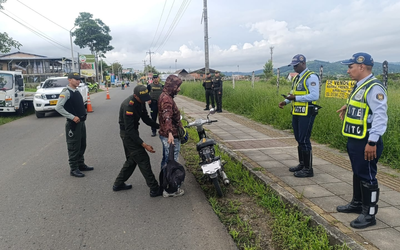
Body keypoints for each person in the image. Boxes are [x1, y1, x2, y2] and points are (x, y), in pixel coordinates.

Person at [336, 52, 388, 229]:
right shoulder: (360, 85)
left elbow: (380, 116)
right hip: (356, 138)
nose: (348, 71)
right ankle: (357, 203)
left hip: (367, 140)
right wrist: (347, 106)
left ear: (361, 66)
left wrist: (372, 142)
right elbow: (364, 106)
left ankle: (369, 214)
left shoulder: (374, 87)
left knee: (368, 175)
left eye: (350, 67)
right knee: (358, 172)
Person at [112, 85, 162, 197]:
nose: (145, 100)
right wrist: (144, 144)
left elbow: (145, 118)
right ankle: (154, 188)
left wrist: (159, 126)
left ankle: (118, 183)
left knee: (132, 160)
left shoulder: (141, 101)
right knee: (143, 158)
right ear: (135, 96)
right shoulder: (128, 106)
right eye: (142, 98)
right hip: (128, 135)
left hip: (133, 132)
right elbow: (130, 130)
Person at [278, 54, 320, 178]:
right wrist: (286, 101)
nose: (294, 68)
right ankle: (302, 163)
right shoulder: (297, 78)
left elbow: (314, 96)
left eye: (296, 65)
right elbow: (293, 93)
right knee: (298, 139)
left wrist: (295, 98)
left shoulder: (311, 77)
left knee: (304, 139)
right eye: (293, 66)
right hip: (297, 112)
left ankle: (308, 169)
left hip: (307, 113)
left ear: (303, 64)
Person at [55, 72, 93, 177]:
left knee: (82, 144)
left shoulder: (76, 91)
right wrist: (71, 117)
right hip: (73, 124)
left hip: (81, 122)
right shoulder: (66, 92)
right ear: (69, 80)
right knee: (74, 146)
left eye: (79, 79)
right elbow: (58, 107)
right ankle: (73, 168)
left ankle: (80, 164)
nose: (78, 81)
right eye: (76, 79)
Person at [158, 75, 185, 198]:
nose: (178, 89)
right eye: (177, 86)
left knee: (166, 160)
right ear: (172, 86)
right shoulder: (167, 99)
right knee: (172, 162)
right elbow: (167, 116)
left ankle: (164, 184)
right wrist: (170, 133)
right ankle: (171, 189)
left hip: (165, 133)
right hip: (170, 135)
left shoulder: (165, 96)